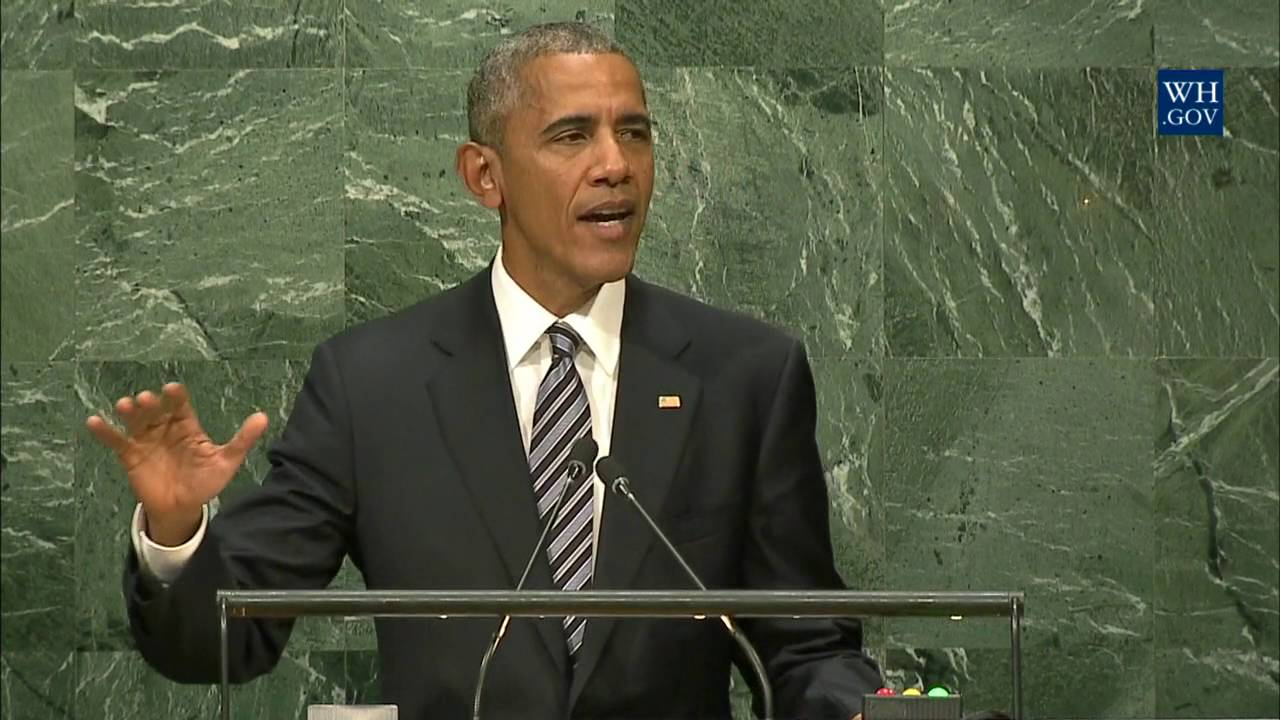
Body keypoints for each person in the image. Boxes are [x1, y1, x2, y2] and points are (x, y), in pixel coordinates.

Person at [87, 22, 882, 720]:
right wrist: (176, 535)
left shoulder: (744, 373)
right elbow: (225, 644)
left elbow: (806, 647)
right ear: (484, 177)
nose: (616, 165)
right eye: (573, 136)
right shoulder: (372, 385)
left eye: (635, 133)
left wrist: (865, 714)